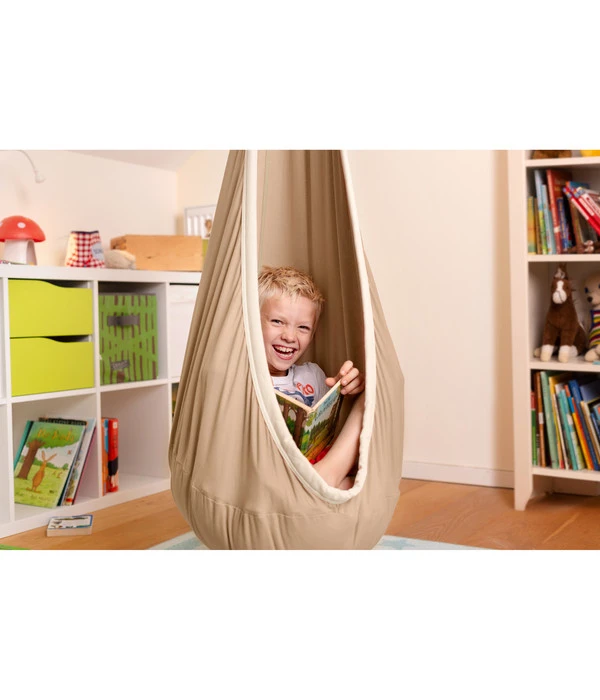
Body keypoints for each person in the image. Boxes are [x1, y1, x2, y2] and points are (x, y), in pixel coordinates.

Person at [259, 265, 366, 490]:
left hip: (316, 463)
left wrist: (348, 388)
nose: (290, 336)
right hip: (273, 475)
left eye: (303, 328)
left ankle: (326, 484)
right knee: (346, 486)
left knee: (372, 396)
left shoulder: (313, 375)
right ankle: (325, 485)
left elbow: (329, 427)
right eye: (277, 321)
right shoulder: (241, 378)